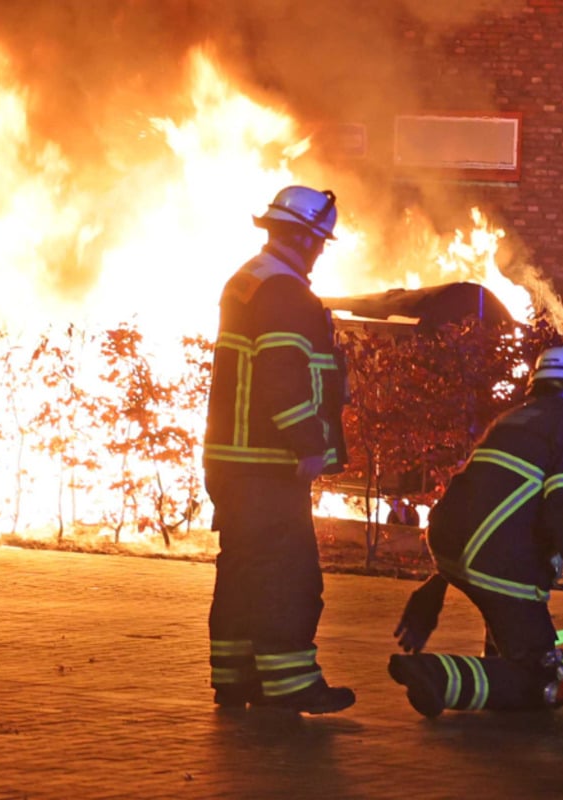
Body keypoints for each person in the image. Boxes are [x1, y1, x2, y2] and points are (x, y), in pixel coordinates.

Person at [389, 345, 563, 717]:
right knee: (539, 680)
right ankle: (435, 676)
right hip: (498, 564)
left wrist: (438, 582)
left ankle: (496, 660)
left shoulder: (511, 421)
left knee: (516, 636)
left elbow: (479, 505)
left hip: (456, 549)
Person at [203, 185, 353, 714]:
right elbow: (282, 376)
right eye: (319, 242)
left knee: (244, 568)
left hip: (232, 462)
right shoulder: (287, 293)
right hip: (268, 465)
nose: (318, 252)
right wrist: (308, 443)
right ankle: (291, 684)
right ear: (307, 238)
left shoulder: (248, 281)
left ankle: (236, 675)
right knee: (289, 574)